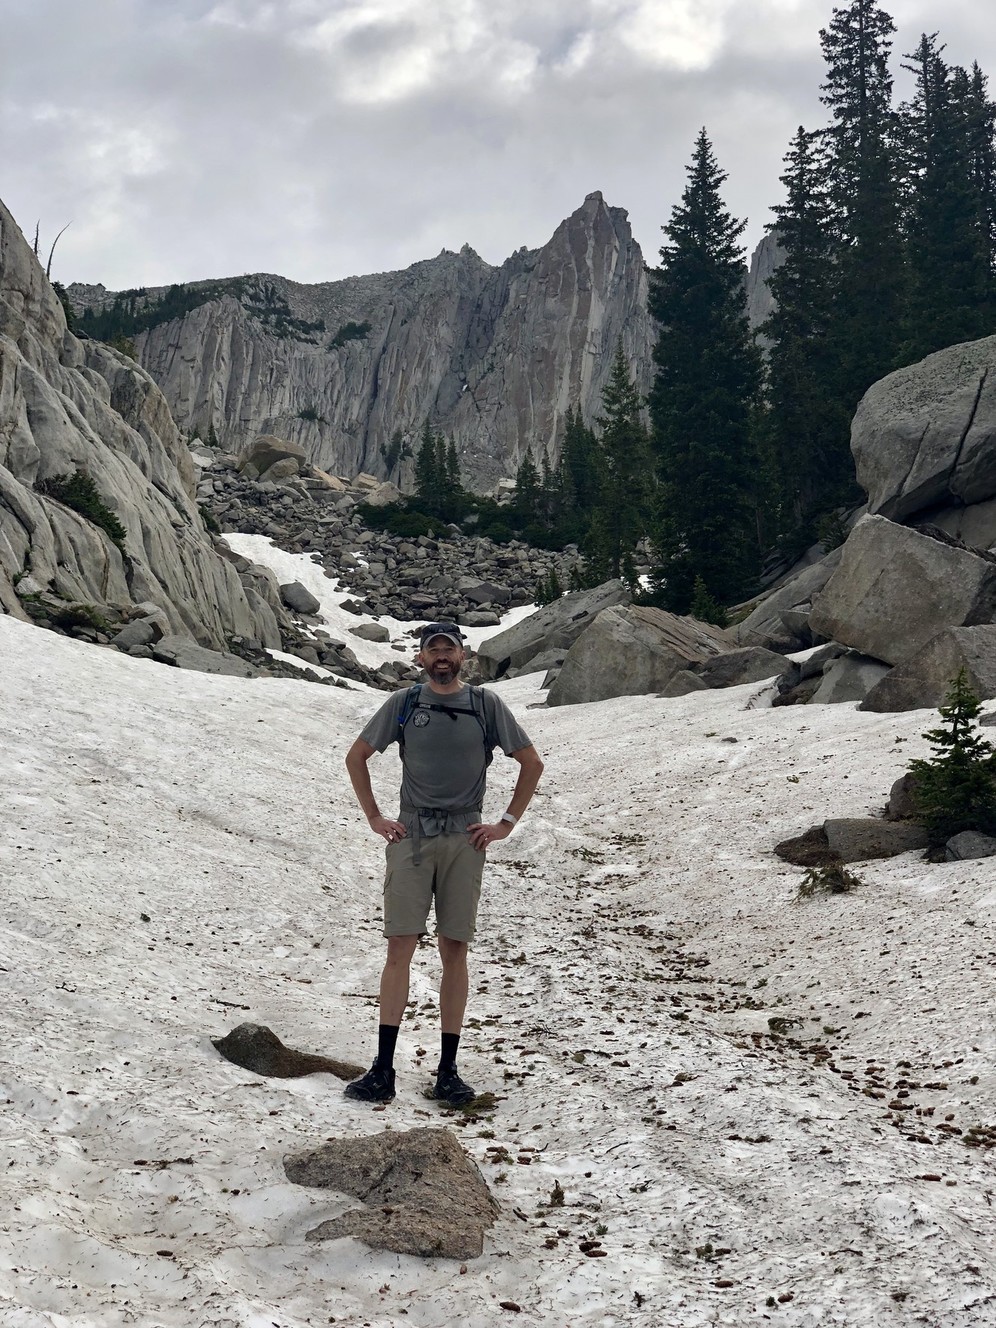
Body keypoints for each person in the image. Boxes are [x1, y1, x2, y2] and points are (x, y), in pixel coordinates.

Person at [343, 622, 544, 1105]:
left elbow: (531, 763)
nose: (440, 658)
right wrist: (374, 817)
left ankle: (448, 1071)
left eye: (448, 650)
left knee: (455, 952)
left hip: (464, 837)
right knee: (400, 948)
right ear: (420, 658)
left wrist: (505, 824)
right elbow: (357, 757)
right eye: (432, 650)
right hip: (411, 836)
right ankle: (382, 1070)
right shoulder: (404, 703)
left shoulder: (485, 704)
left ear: (462, 656)